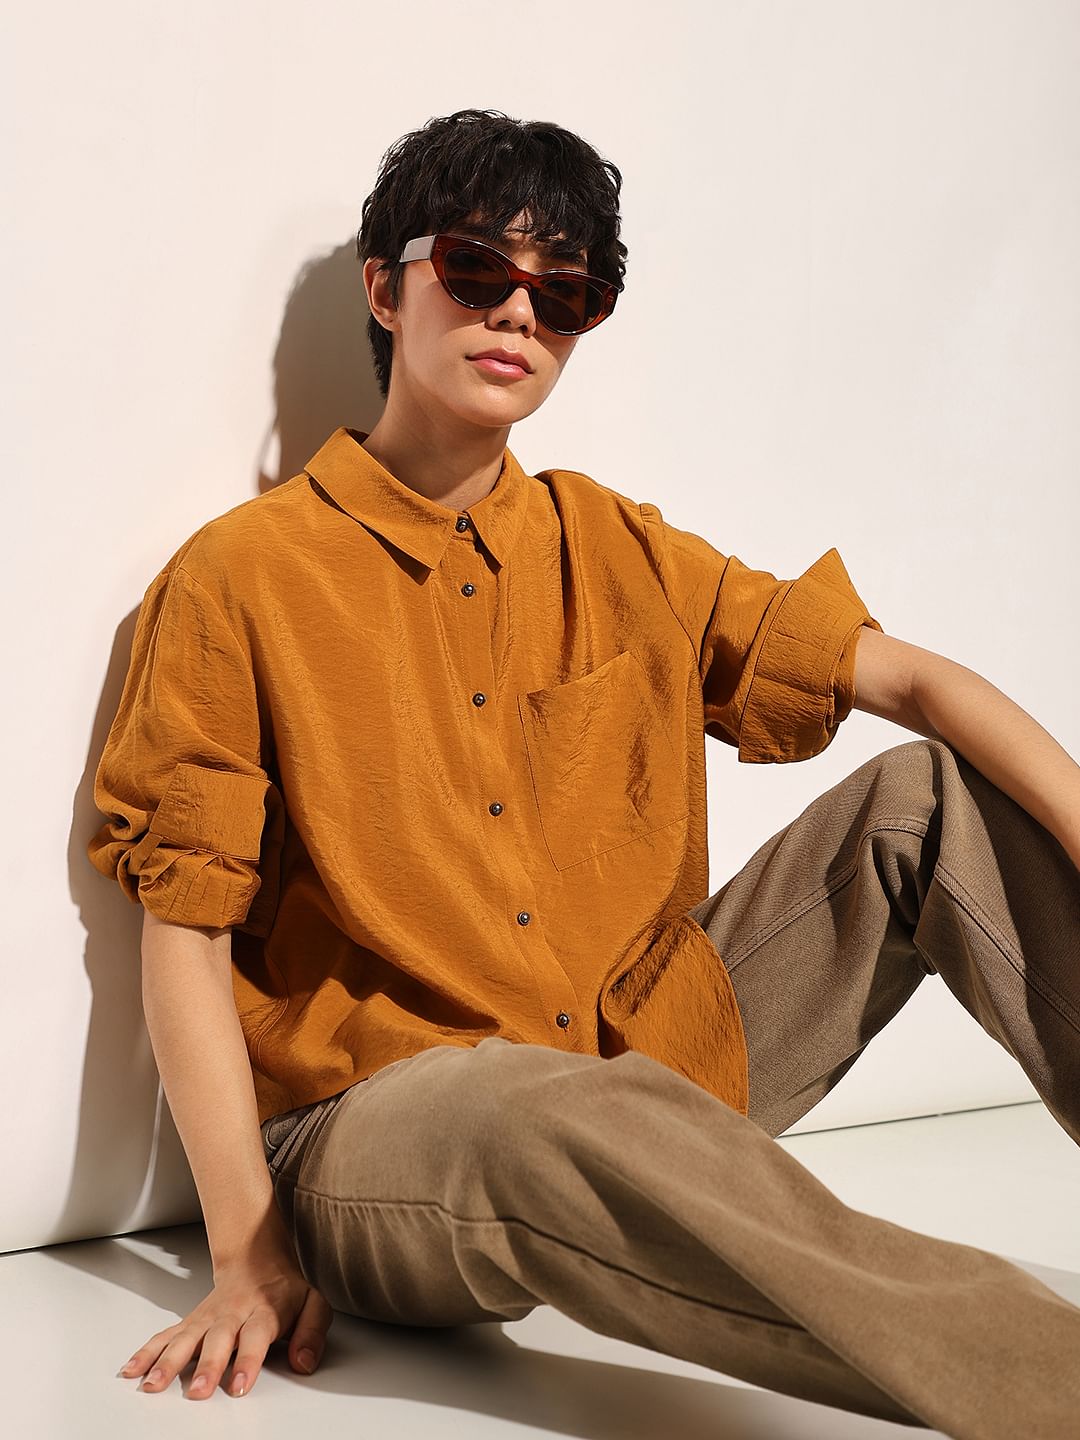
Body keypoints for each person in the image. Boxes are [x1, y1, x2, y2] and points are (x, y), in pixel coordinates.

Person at [88, 108, 1080, 1434]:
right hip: (396, 1128)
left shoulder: (610, 543)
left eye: (563, 292)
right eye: (475, 270)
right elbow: (184, 928)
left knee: (927, 801)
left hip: (647, 1063)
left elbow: (914, 684)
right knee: (529, 1105)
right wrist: (247, 1253)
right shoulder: (240, 578)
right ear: (386, 288)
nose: (518, 311)